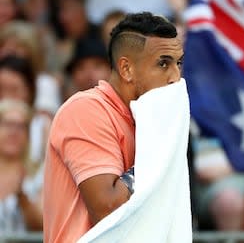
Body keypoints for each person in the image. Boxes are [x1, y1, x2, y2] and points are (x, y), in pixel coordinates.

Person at [43, 12, 184, 242]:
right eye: (163, 63)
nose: (175, 78)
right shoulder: (86, 110)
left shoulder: (151, 120)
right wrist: (159, 154)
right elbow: (107, 209)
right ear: (126, 69)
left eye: (178, 63)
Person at [0, 99, 43, 233]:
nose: (14, 132)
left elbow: (42, 225)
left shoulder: (39, 174)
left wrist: (21, 196)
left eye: (21, 126)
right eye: (8, 124)